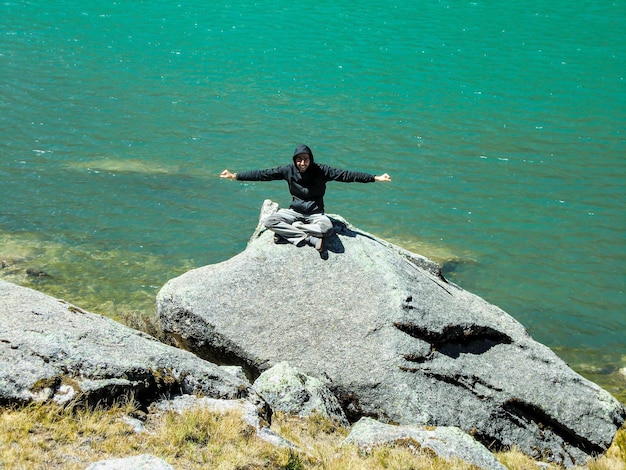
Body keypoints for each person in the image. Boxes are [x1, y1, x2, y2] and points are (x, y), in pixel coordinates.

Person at [220, 144, 391, 252]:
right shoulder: (288, 170)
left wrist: (375, 178)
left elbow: (347, 175)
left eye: (306, 159)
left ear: (311, 159)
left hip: (316, 215)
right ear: (295, 161)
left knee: (327, 230)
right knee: (269, 222)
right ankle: (307, 237)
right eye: (299, 160)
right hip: (294, 213)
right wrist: (235, 176)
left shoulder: (322, 171)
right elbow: (263, 174)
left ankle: (289, 233)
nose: (302, 163)